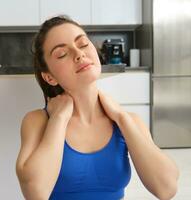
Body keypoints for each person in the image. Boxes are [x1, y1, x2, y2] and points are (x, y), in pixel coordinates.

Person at [15, 15, 179, 200]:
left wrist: (122, 118)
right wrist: (59, 120)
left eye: (83, 44)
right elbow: (35, 193)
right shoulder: (38, 122)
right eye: (62, 54)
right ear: (50, 77)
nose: (79, 53)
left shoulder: (128, 121)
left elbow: (167, 188)